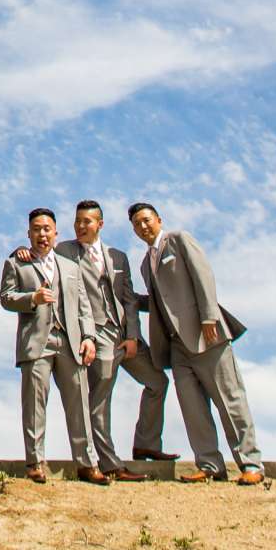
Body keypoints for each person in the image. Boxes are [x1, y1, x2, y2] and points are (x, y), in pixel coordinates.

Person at [129, 201, 263, 485]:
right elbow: (159, 302)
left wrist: (209, 318)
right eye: (137, 224)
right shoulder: (145, 263)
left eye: (146, 220)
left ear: (158, 219)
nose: (142, 226)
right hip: (176, 347)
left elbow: (203, 275)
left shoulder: (179, 240)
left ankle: (251, 464)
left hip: (207, 335)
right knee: (193, 410)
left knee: (230, 401)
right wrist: (125, 297)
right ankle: (210, 465)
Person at [56, 198, 174, 477]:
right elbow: (41, 255)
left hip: (125, 336)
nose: (81, 226)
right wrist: (22, 253)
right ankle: (109, 464)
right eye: (77, 222)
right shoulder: (65, 252)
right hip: (96, 336)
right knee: (99, 402)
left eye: (87, 221)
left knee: (158, 381)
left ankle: (146, 444)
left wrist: (132, 335)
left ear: (100, 224)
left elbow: (129, 299)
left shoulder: (118, 256)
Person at [3, 206, 103, 484]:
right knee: (34, 405)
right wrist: (31, 298)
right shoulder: (16, 263)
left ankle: (87, 464)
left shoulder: (71, 267)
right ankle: (35, 462)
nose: (42, 234)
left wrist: (89, 338)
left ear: (56, 234)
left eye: (47, 229)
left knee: (79, 404)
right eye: (37, 229)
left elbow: (84, 306)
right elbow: (6, 297)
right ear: (29, 234)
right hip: (36, 344)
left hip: (70, 343)